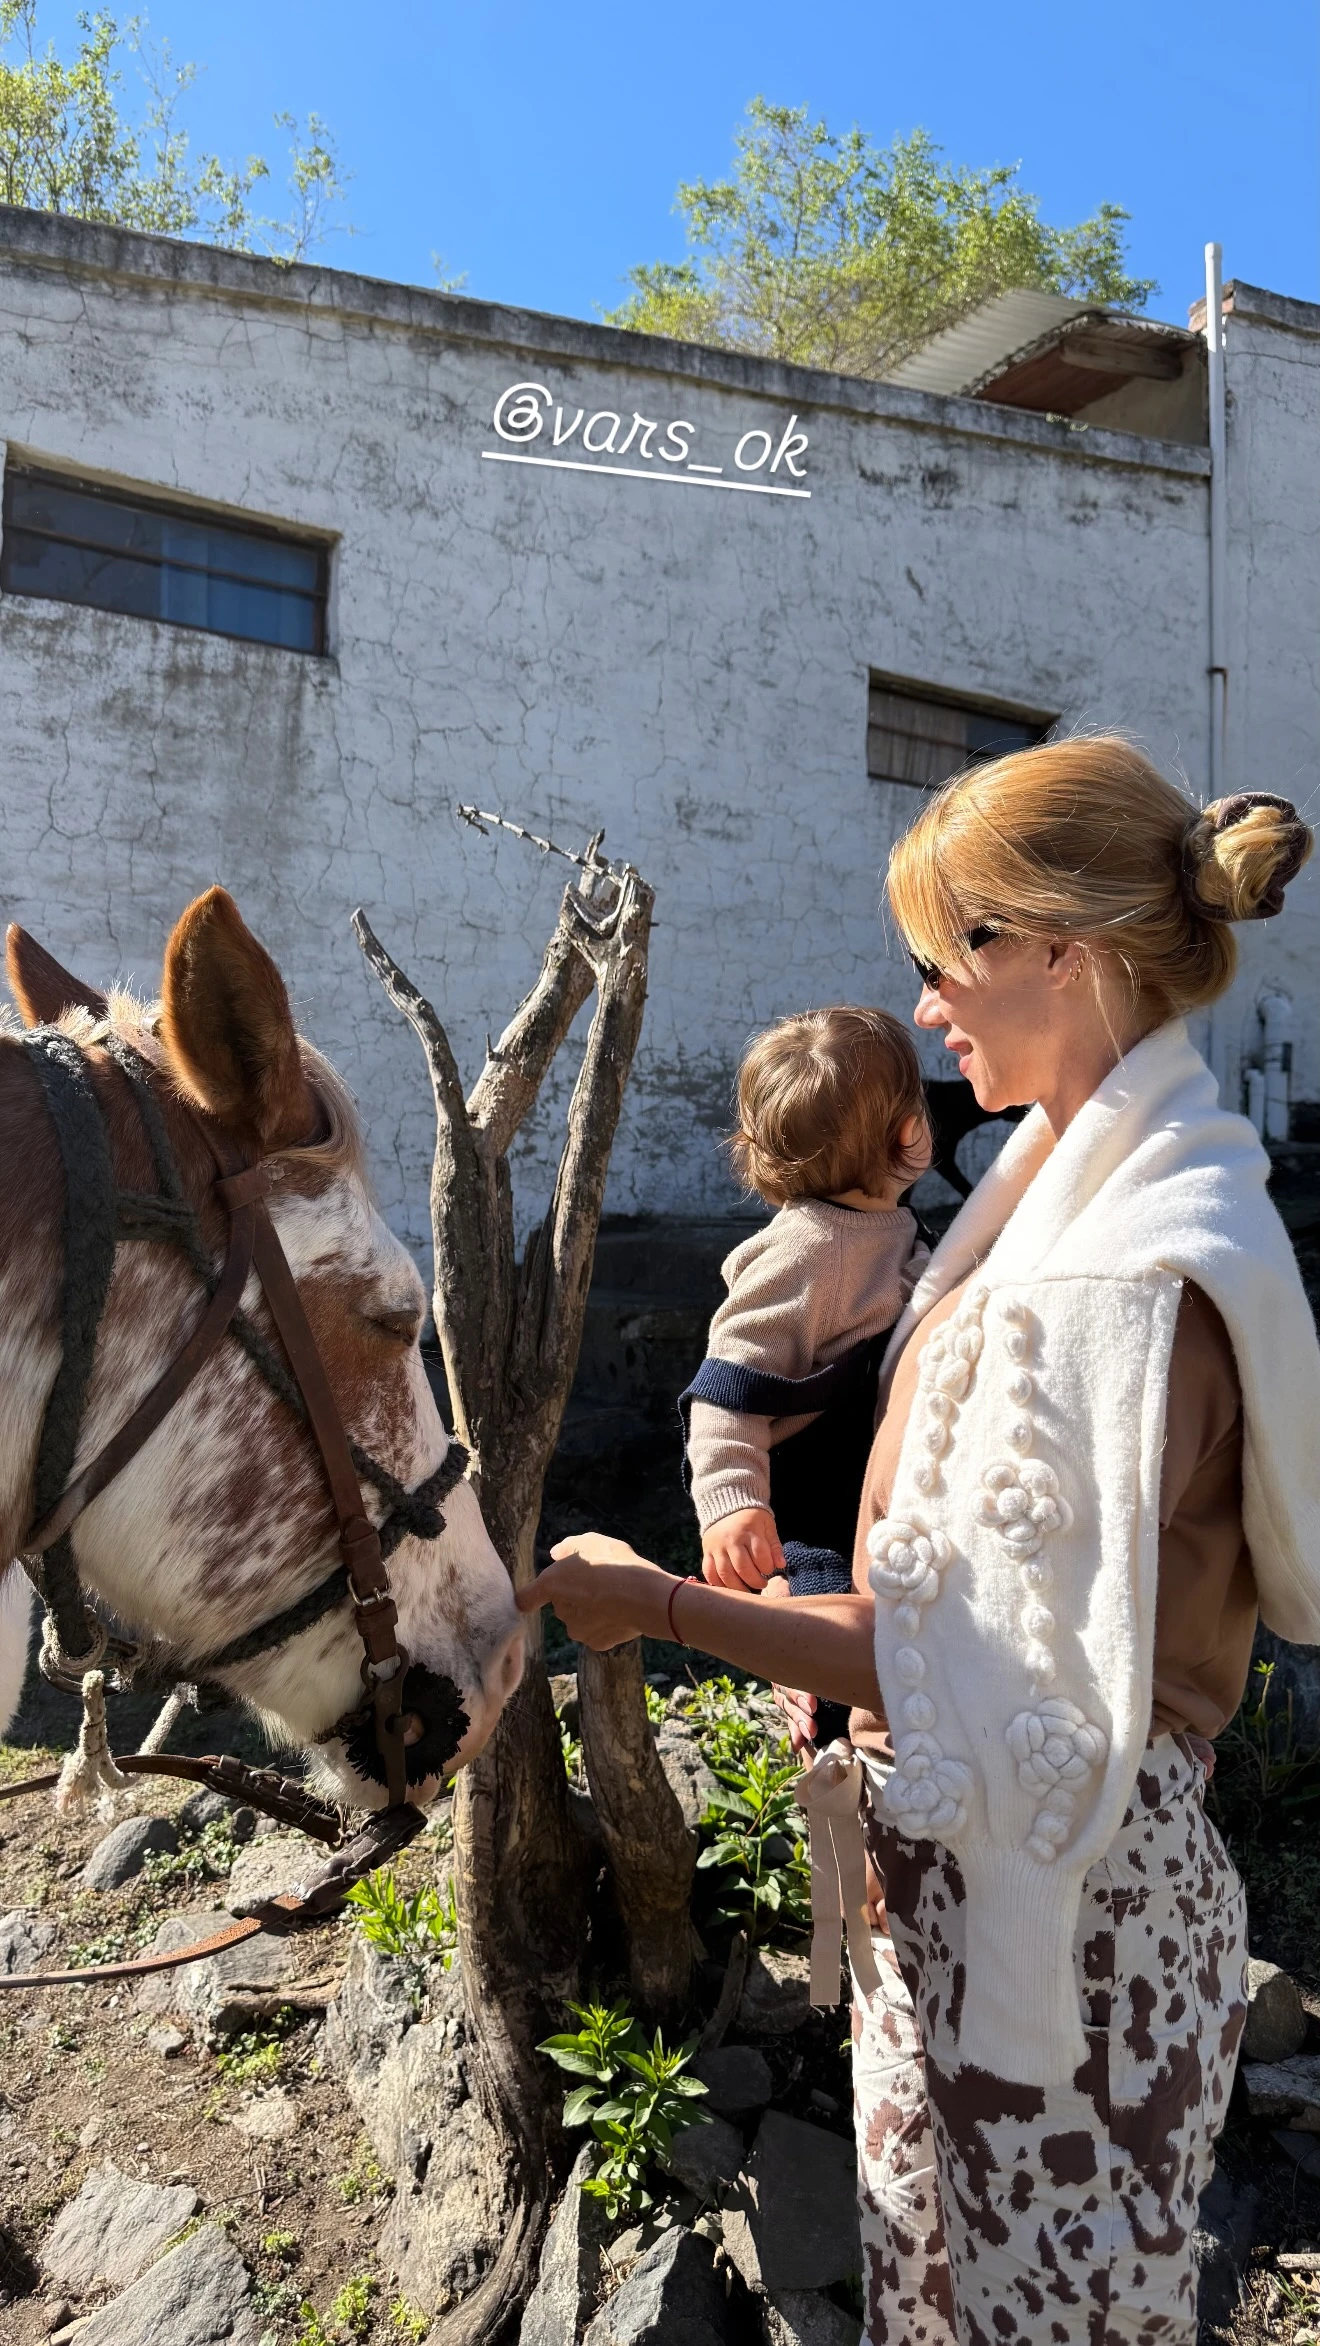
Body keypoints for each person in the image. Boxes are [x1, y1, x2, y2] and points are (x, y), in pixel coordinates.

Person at [521, 738, 1320, 2346]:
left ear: (1065, 955)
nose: (931, 1009)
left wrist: (657, 1600)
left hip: (1057, 1945)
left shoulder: (1103, 1291)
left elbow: (966, 1664)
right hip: (1000, 1877)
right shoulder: (1086, 1204)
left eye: (950, 960)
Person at [683, 1005, 930, 1619]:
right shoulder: (809, 1249)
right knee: (826, 1629)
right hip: (812, 1501)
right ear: (909, 1133)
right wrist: (732, 1499)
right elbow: (728, 1384)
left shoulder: (890, 1226)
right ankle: (820, 1708)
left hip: (868, 1485)